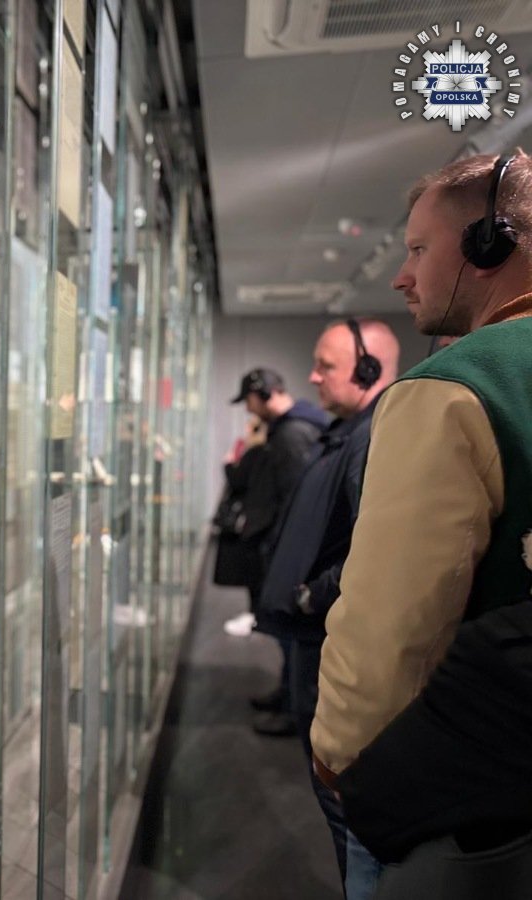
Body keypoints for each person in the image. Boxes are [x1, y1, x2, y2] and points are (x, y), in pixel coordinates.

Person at [312, 151, 532, 899]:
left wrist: (341, 759)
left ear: (488, 245)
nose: (402, 276)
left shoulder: (449, 389)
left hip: (464, 793)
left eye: (416, 249)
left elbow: (391, 626)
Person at [253, 318, 400, 880]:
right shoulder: (349, 430)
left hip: (327, 643)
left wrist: (313, 597)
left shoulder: (374, 435)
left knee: (343, 806)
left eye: (326, 366)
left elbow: (376, 544)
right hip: (315, 637)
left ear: (368, 369)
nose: (312, 376)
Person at [228, 368, 327, 727]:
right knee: (285, 633)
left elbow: (297, 499)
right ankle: (287, 696)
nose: (249, 409)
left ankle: (293, 707)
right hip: (285, 546)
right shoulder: (289, 429)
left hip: (290, 551)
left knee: (292, 634)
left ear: (264, 394)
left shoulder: (292, 434)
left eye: (250, 401)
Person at [213, 416, 269, 633]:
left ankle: (255, 616)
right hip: (257, 517)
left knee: (254, 572)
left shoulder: (256, 452)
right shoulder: (261, 451)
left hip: (254, 519)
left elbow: (238, 479)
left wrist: (228, 464)